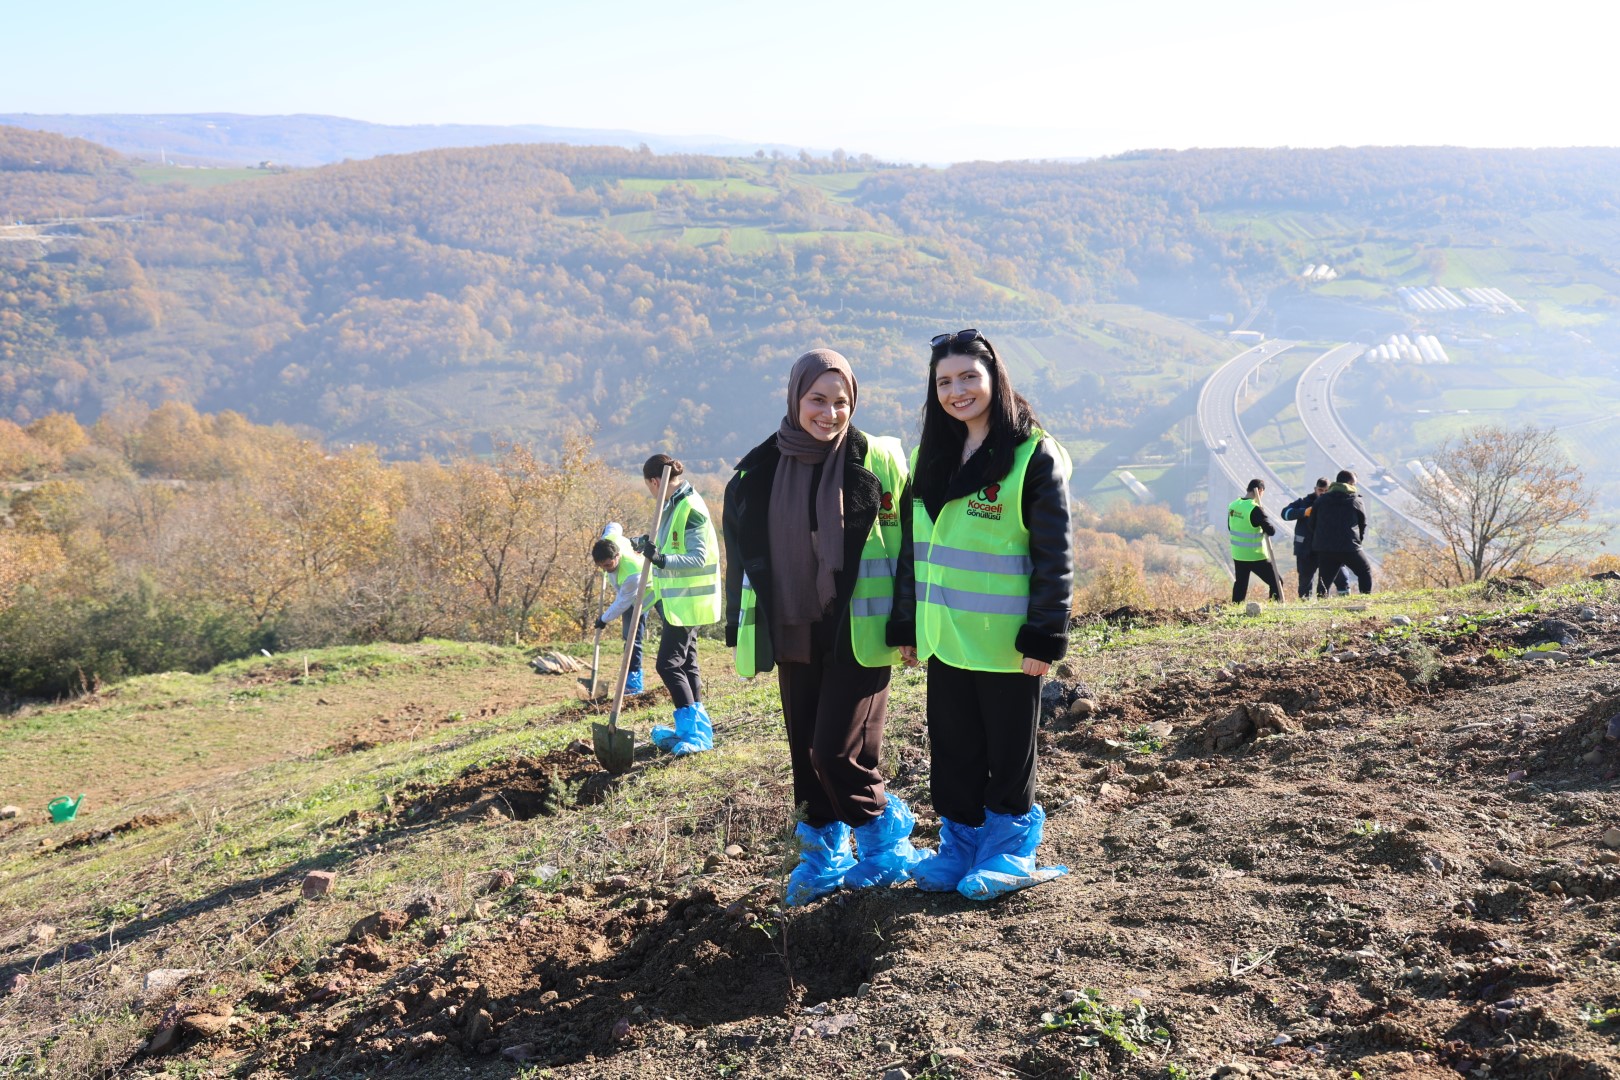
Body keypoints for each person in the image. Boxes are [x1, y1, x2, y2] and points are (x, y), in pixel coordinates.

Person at [723, 349, 923, 906]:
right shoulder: (757, 472)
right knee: (804, 756)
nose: (830, 413)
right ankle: (824, 856)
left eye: (841, 402)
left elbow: (909, 546)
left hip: (860, 630)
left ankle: (887, 840)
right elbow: (743, 561)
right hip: (794, 631)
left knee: (836, 752)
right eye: (818, 399)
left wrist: (908, 621)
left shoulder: (877, 460)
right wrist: (739, 628)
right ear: (794, 398)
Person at [895, 328, 1073, 902]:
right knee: (953, 748)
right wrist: (906, 623)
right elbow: (912, 548)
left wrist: (1045, 633)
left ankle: (1010, 850)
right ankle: (961, 846)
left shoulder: (1031, 454)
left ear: (995, 377)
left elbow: (1053, 553)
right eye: (945, 381)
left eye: (969, 376)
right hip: (945, 635)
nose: (958, 390)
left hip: (1006, 643)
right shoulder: (929, 458)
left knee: (1007, 750)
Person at [630, 454, 722, 755]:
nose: (651, 493)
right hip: (679, 602)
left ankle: (693, 732)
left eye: (649, 487)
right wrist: (647, 544)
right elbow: (671, 542)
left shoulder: (690, 508)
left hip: (689, 602)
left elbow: (698, 557)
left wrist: (661, 559)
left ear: (655, 482)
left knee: (667, 665)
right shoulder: (674, 504)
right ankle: (694, 730)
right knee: (686, 663)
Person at [590, 523, 647, 695]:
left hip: (649, 589)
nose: (606, 569)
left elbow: (622, 602)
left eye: (608, 565)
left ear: (617, 555)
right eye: (602, 566)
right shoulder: (608, 542)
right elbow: (614, 526)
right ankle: (632, 682)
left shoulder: (632, 573)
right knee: (628, 636)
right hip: (629, 593)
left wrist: (603, 619)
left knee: (632, 636)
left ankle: (634, 684)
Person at [1280, 478, 1351, 599]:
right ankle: (1305, 605)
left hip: (1328, 549)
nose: (1322, 492)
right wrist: (1303, 512)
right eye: (1320, 490)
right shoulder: (1304, 502)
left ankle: (1339, 602)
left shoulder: (1335, 503)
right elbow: (1285, 513)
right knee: (1305, 581)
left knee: (1340, 578)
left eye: (1326, 490)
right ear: (1315, 489)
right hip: (1307, 550)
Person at [1312, 468, 1373, 595]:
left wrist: (1322, 539)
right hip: (1349, 546)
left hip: (1326, 547)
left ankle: (1321, 606)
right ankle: (1365, 599)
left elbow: (1311, 523)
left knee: (1324, 581)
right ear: (1350, 484)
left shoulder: (1321, 500)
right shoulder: (1356, 500)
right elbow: (1363, 524)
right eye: (1354, 484)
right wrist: (1357, 541)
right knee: (1364, 571)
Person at [1228, 478, 1282, 603]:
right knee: (1277, 582)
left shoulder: (1233, 505)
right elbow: (1271, 531)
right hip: (1255, 555)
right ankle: (1274, 607)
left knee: (1240, 584)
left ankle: (1236, 608)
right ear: (1260, 491)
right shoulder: (1255, 509)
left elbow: (1230, 526)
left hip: (1238, 554)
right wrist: (1263, 515)